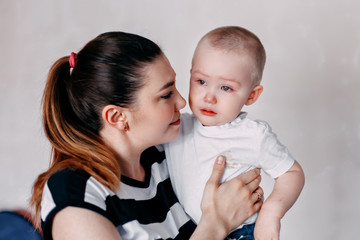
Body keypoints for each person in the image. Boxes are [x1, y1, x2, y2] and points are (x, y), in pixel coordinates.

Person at [30, 31, 264, 240]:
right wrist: (216, 224)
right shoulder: (75, 192)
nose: (182, 102)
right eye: (166, 94)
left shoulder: (166, 157)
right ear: (117, 117)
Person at [164, 26, 305, 240]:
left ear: (251, 95)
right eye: (201, 82)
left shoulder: (253, 135)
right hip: (192, 232)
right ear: (190, 75)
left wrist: (271, 214)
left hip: (241, 233)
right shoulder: (176, 126)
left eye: (226, 88)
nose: (209, 97)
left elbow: (292, 173)